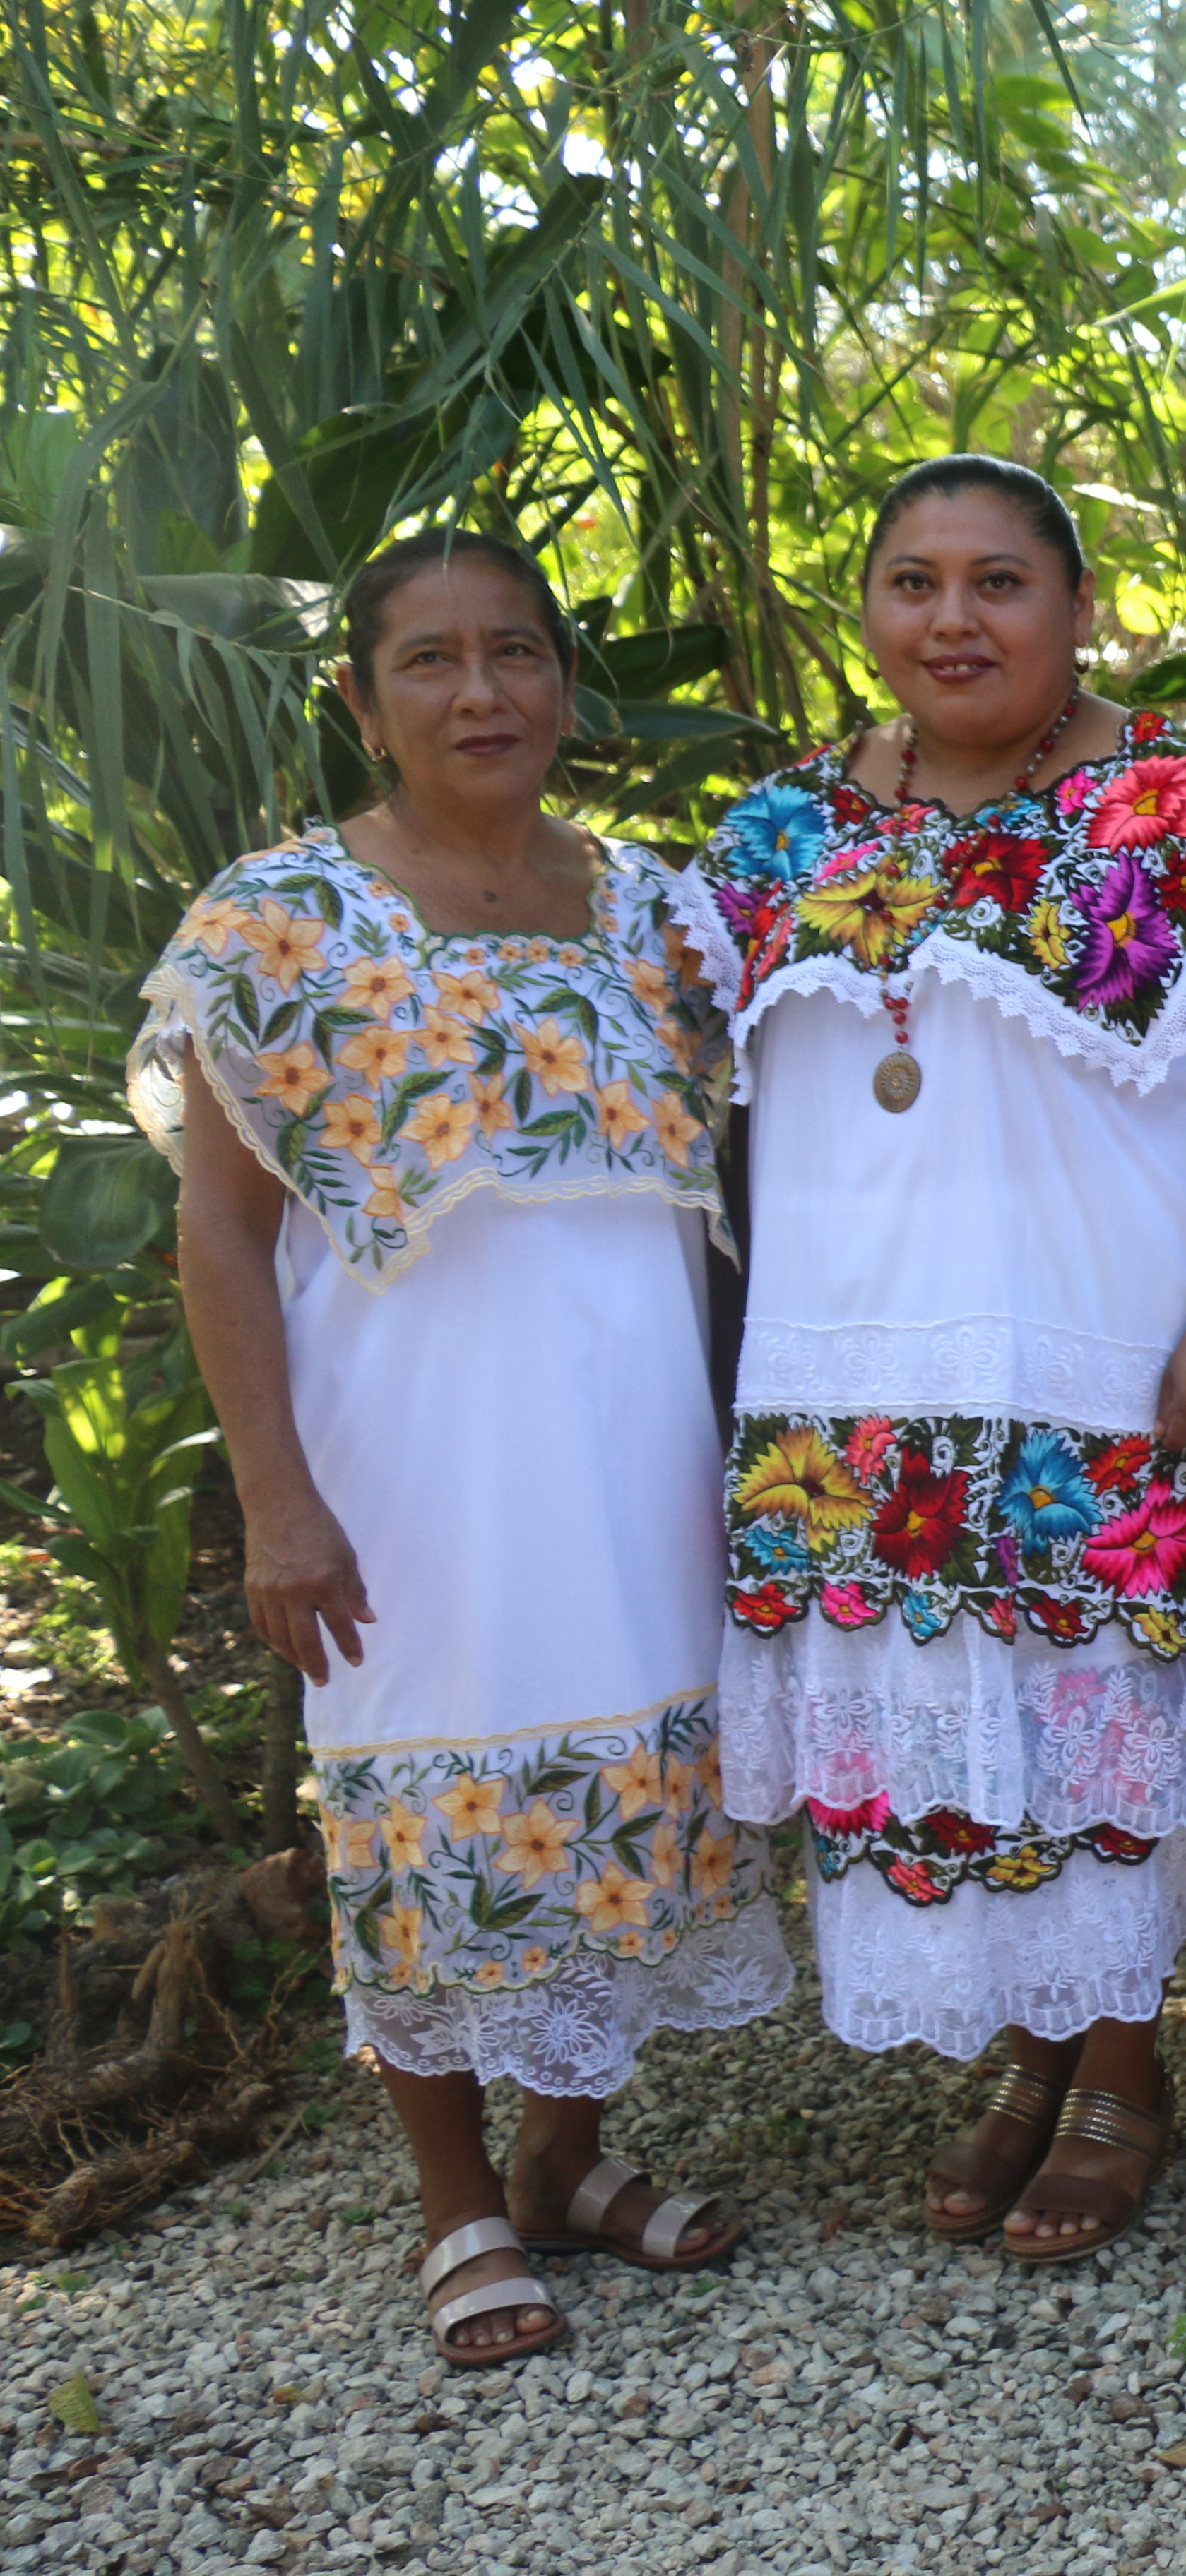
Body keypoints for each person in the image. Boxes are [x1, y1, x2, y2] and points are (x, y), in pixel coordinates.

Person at [141, 532, 790, 2367]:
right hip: (401, 1476)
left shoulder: (667, 916)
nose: (482, 693)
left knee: (645, 1817)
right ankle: (457, 2202)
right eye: (430, 659)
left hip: (639, 1460)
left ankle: (572, 2158)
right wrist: (274, 1493)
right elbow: (217, 1229)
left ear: (567, 683)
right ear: (358, 696)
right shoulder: (276, 924)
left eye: (517, 653)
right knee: (415, 1808)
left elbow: (741, 1196)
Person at [688, 455, 1186, 2260]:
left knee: (1087, 1728)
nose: (951, 620)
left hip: (1108, 1355)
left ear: (1077, 606)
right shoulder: (775, 840)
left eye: (998, 583)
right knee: (960, 1743)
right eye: (912, 582)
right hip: (853, 1365)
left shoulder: (1184, 817)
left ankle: (1124, 2074)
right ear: (867, 607)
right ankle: (1034, 2066)